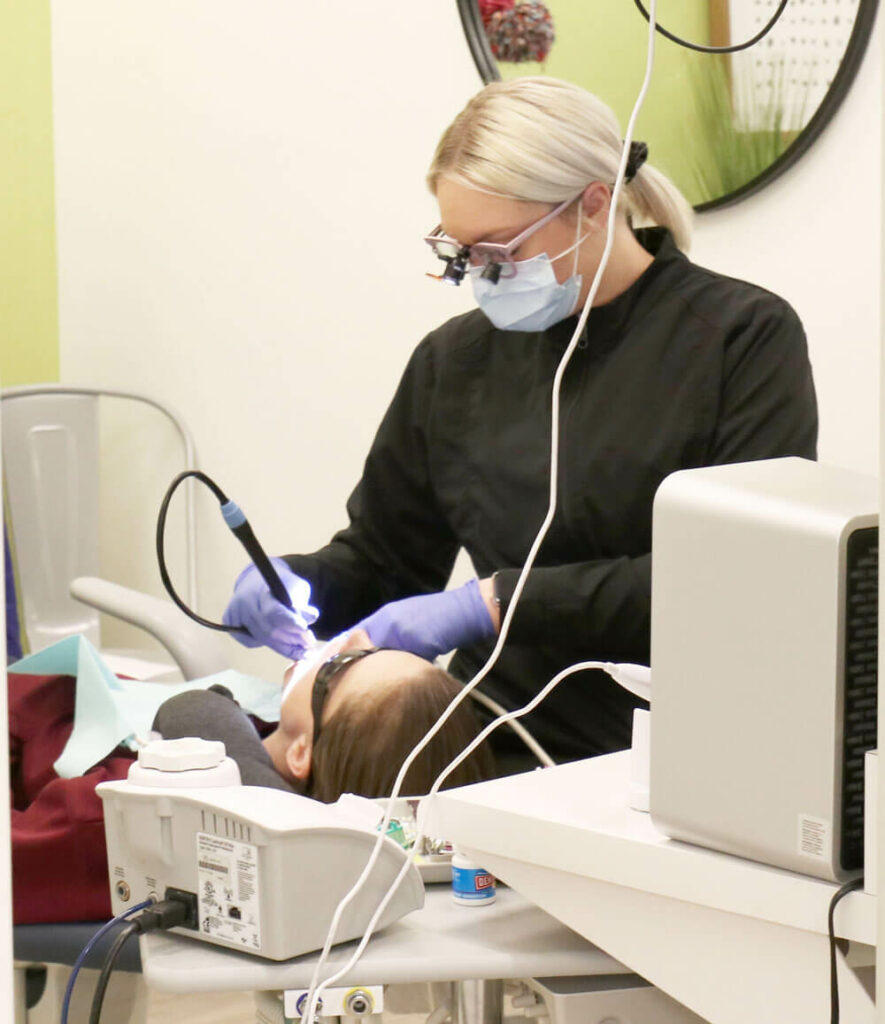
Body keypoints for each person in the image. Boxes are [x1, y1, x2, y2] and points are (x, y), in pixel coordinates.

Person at [223, 76, 818, 770]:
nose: (479, 274)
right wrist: (297, 584)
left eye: (498, 250)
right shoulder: (455, 362)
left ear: (594, 205)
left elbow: (732, 575)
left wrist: (493, 602)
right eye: (460, 252)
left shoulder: (739, 340)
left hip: (672, 757)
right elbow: (386, 560)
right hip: (486, 748)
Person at [9, 632, 493, 923]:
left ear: (302, 752)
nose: (354, 638)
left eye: (345, 665)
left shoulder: (126, 817)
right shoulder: (251, 725)